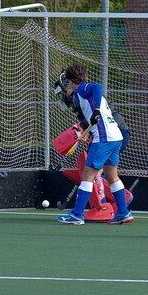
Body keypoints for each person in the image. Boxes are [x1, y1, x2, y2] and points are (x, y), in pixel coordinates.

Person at [56, 64, 133, 225]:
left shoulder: (82, 88)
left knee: (87, 175)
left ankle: (77, 215)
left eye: (68, 84)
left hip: (104, 138)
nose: (67, 88)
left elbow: (97, 87)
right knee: (112, 176)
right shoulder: (82, 95)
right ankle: (123, 213)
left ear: (72, 81)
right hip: (114, 137)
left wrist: (96, 110)